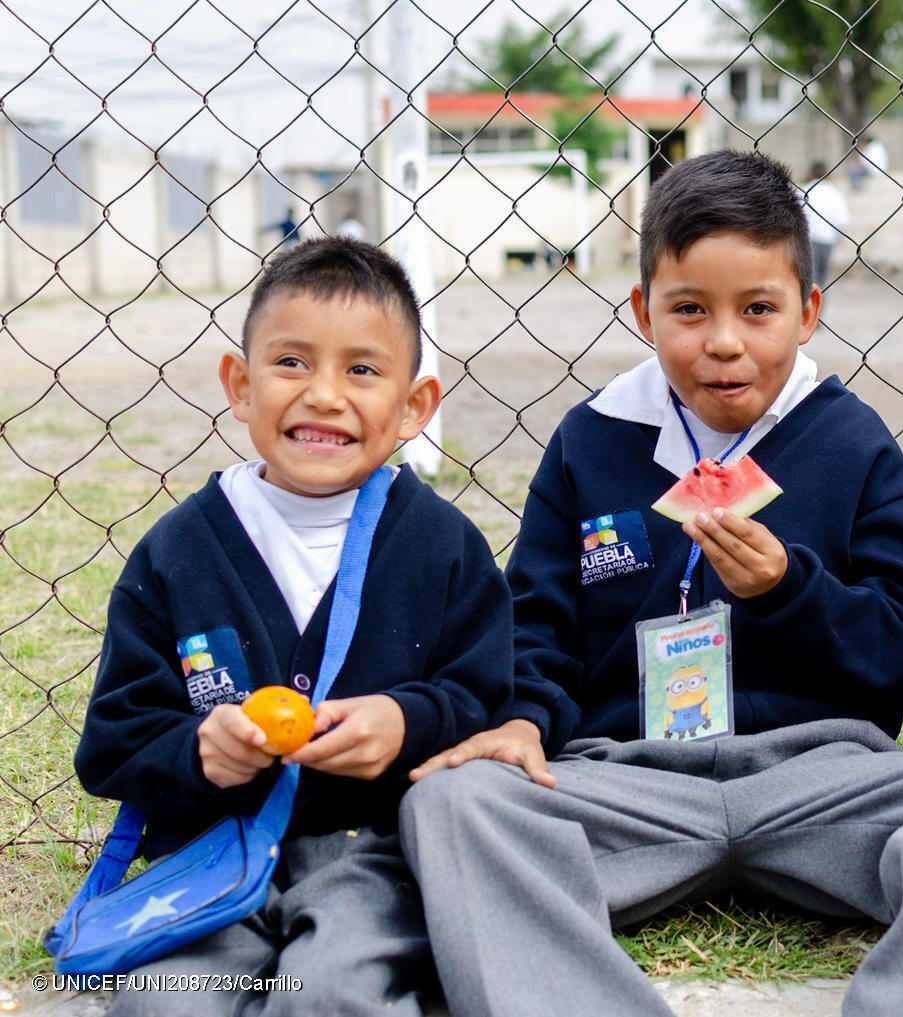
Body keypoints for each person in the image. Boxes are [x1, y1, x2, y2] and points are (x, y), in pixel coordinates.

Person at [398, 150, 903, 1017]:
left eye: (758, 309)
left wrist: (793, 590)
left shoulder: (852, 442)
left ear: (808, 312)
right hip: (628, 786)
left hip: (823, 783)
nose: (724, 342)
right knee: (454, 804)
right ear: (645, 311)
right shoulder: (590, 440)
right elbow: (536, 627)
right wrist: (525, 721)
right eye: (690, 310)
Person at [73, 237, 577, 1016]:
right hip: (210, 858)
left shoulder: (442, 546)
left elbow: (483, 697)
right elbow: (113, 740)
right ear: (240, 386)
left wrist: (404, 719)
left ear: (415, 407)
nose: (324, 395)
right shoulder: (176, 552)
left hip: (371, 857)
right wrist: (200, 748)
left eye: (363, 370)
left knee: (331, 994)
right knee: (159, 1003)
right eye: (292, 363)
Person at [801, 160, 849, 295]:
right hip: (827, 241)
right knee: (822, 280)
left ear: (810, 174)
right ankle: (818, 312)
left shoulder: (805, 190)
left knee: (809, 278)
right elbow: (842, 220)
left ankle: (807, 310)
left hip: (808, 240)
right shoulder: (834, 193)